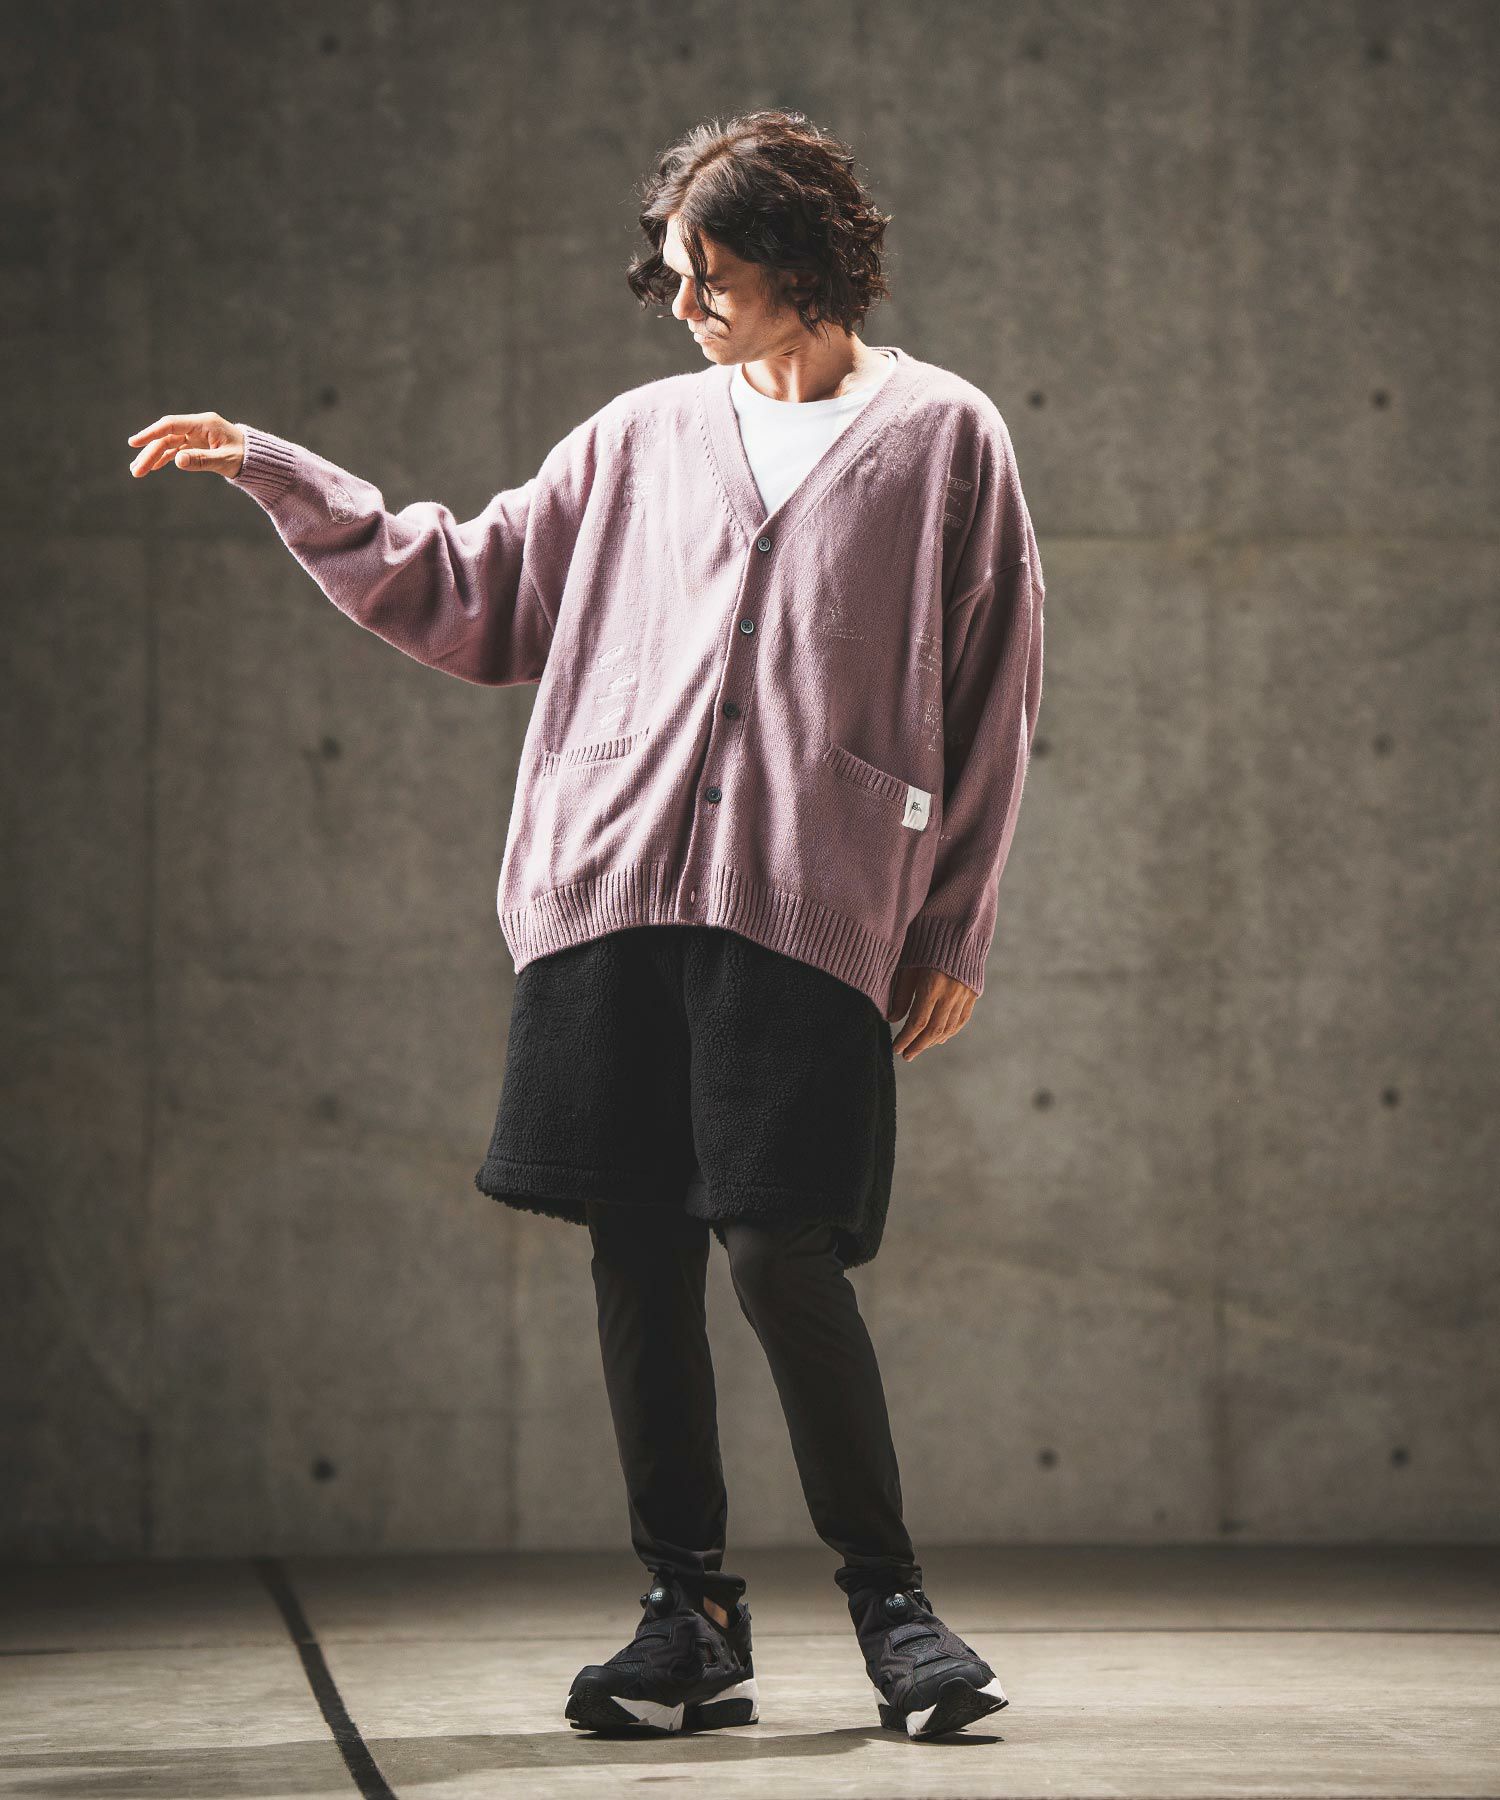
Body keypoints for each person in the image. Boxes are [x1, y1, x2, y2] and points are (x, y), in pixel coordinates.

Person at [125, 106, 1043, 1743]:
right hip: (607, 896)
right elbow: (468, 589)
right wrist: (279, 470)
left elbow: (994, 693)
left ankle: (894, 1610)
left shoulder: (944, 435)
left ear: (808, 263)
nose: (684, 305)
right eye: (671, 274)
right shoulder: (634, 437)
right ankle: (687, 1615)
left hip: (813, 907)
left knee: (779, 1252)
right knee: (637, 1249)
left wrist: (952, 925)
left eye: (715, 274)